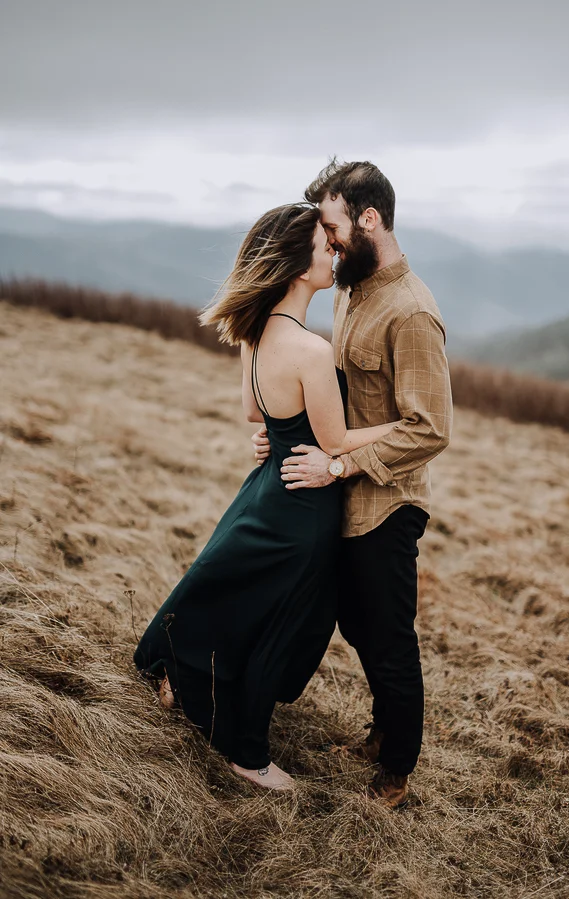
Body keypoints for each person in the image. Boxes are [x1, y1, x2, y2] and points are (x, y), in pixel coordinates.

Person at [134, 203, 401, 792]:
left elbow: (257, 412)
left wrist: (278, 435)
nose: (334, 255)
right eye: (325, 247)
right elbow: (335, 442)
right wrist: (405, 426)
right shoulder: (310, 349)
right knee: (279, 625)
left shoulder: (255, 334)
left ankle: (186, 681)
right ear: (298, 266)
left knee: (234, 597)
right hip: (303, 508)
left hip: (266, 490)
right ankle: (247, 754)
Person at [252, 161, 453, 808]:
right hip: (341, 494)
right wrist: (283, 432)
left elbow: (431, 429)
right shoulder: (349, 290)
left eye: (334, 229)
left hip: (388, 504)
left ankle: (396, 770)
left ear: (370, 219)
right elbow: (339, 396)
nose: (330, 244)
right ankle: (381, 732)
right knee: (358, 627)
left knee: (388, 637)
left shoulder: (412, 313)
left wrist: (338, 466)